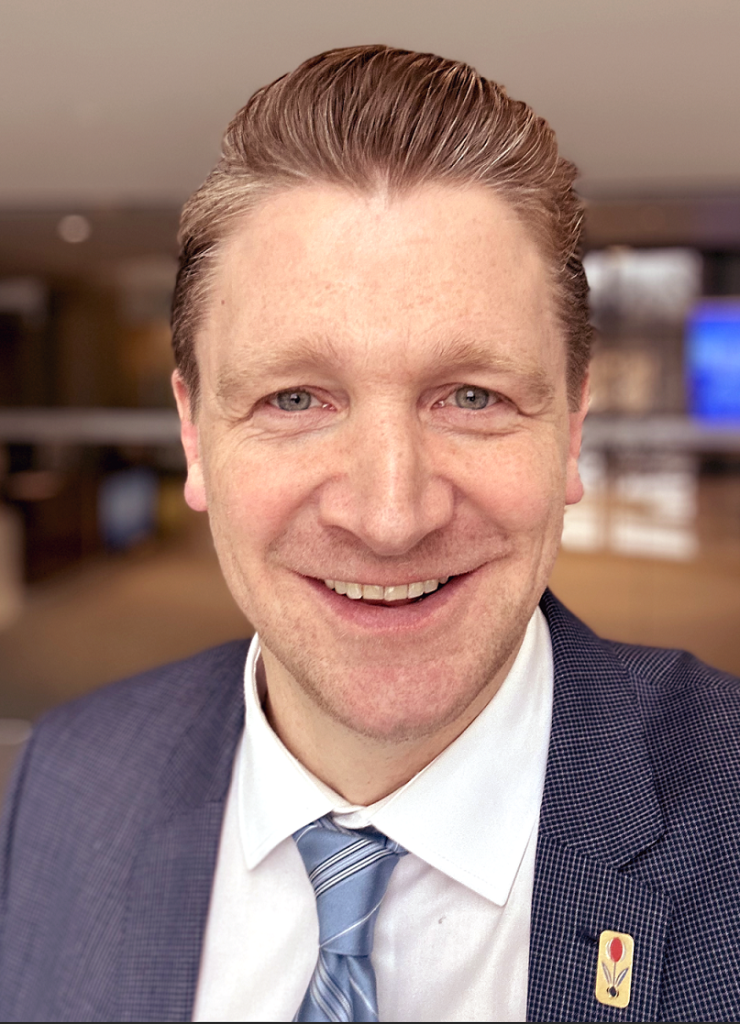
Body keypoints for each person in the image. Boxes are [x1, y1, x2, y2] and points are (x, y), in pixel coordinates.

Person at [1, 44, 740, 1024]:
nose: (390, 518)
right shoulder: (67, 780)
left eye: (471, 395)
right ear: (194, 434)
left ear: (570, 426)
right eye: (294, 398)